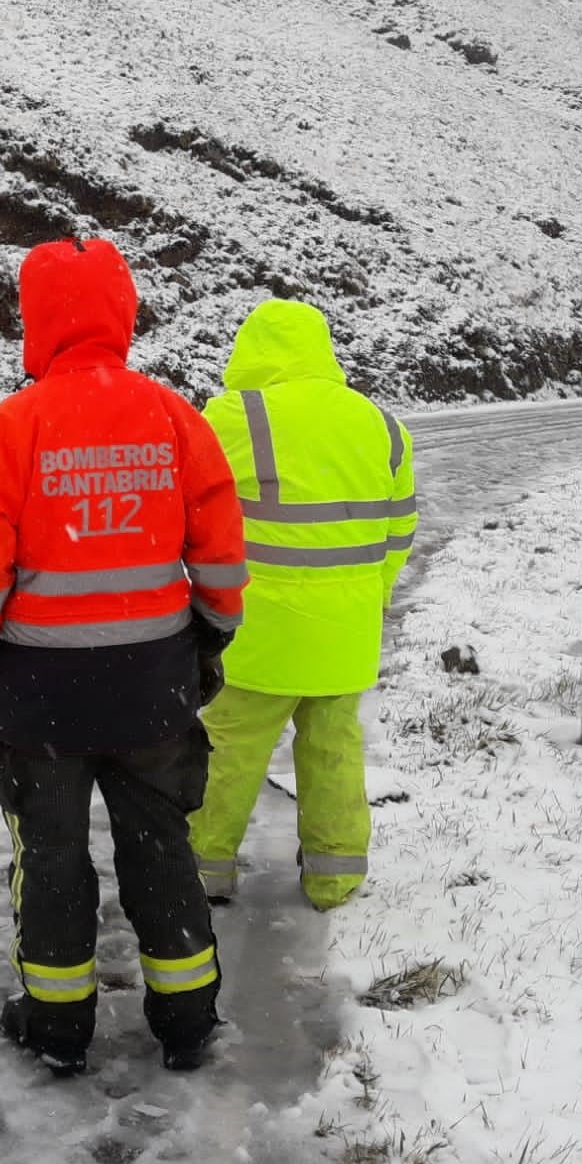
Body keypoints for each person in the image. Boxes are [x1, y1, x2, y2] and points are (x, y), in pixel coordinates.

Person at [0, 237, 248, 1076]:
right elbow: (219, 552)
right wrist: (211, 636)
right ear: (123, 312)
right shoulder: (173, 417)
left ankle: (57, 1024)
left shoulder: (10, 429)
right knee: (160, 846)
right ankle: (185, 1017)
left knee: (50, 859)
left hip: (41, 698)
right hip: (153, 688)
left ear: (35, 322)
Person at [188, 299, 416, 911]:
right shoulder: (380, 423)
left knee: (229, 750)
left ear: (251, 350)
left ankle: (204, 872)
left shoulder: (233, 416)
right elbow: (400, 529)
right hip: (346, 633)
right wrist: (364, 594)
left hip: (259, 633)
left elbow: (193, 514)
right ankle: (333, 877)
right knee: (334, 748)